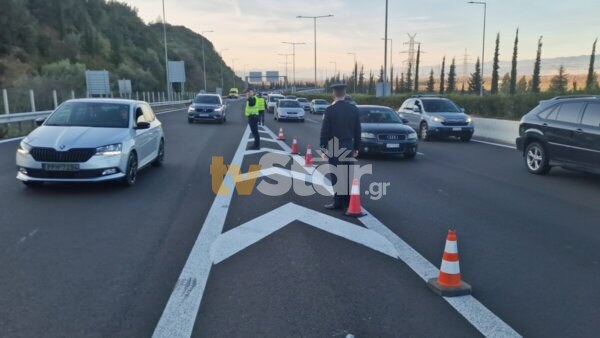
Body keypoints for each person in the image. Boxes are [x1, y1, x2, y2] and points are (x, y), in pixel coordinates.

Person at [319, 83, 361, 210]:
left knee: (336, 175)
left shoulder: (330, 110)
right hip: (348, 145)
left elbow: (324, 131)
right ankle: (348, 201)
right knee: (348, 174)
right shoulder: (354, 109)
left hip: (334, 147)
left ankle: (338, 202)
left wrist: (323, 148)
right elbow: (357, 130)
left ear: (333, 94)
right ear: (345, 93)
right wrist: (356, 147)